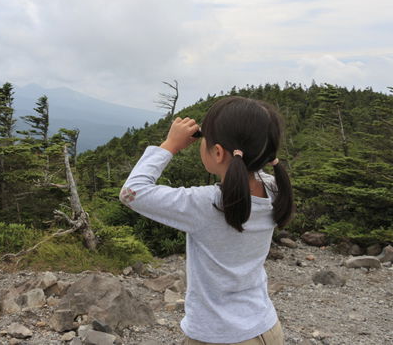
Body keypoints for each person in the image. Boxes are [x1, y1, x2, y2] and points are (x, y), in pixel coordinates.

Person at [119, 96, 294, 345]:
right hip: (267, 328)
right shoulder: (274, 188)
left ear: (219, 152)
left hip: (219, 336)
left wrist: (170, 145)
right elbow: (250, 159)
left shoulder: (207, 204)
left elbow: (131, 192)